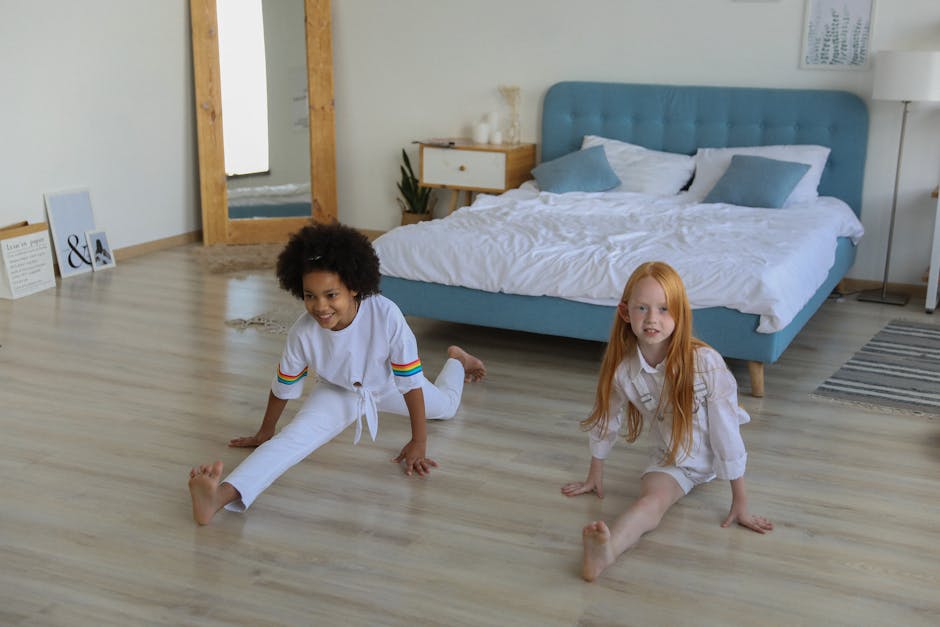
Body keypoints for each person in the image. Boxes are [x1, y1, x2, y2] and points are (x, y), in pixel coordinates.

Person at [189, 222, 486, 525]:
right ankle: (218, 497)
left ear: (354, 287)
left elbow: (409, 384)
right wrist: (266, 431)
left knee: (447, 408)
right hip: (337, 390)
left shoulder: (386, 316)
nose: (320, 307)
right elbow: (283, 387)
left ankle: (459, 360)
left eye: (331, 295)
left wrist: (418, 440)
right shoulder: (302, 333)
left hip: (389, 387)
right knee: (291, 438)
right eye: (310, 296)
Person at [561, 261, 772, 581]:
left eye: (663, 309)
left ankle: (607, 551)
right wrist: (595, 473)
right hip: (671, 459)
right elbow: (608, 418)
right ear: (624, 312)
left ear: (680, 314)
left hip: (711, 455)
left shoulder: (705, 363)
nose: (652, 319)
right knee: (651, 503)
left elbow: (726, 434)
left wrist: (739, 501)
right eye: (642, 308)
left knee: (715, 439)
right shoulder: (623, 370)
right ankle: (606, 552)